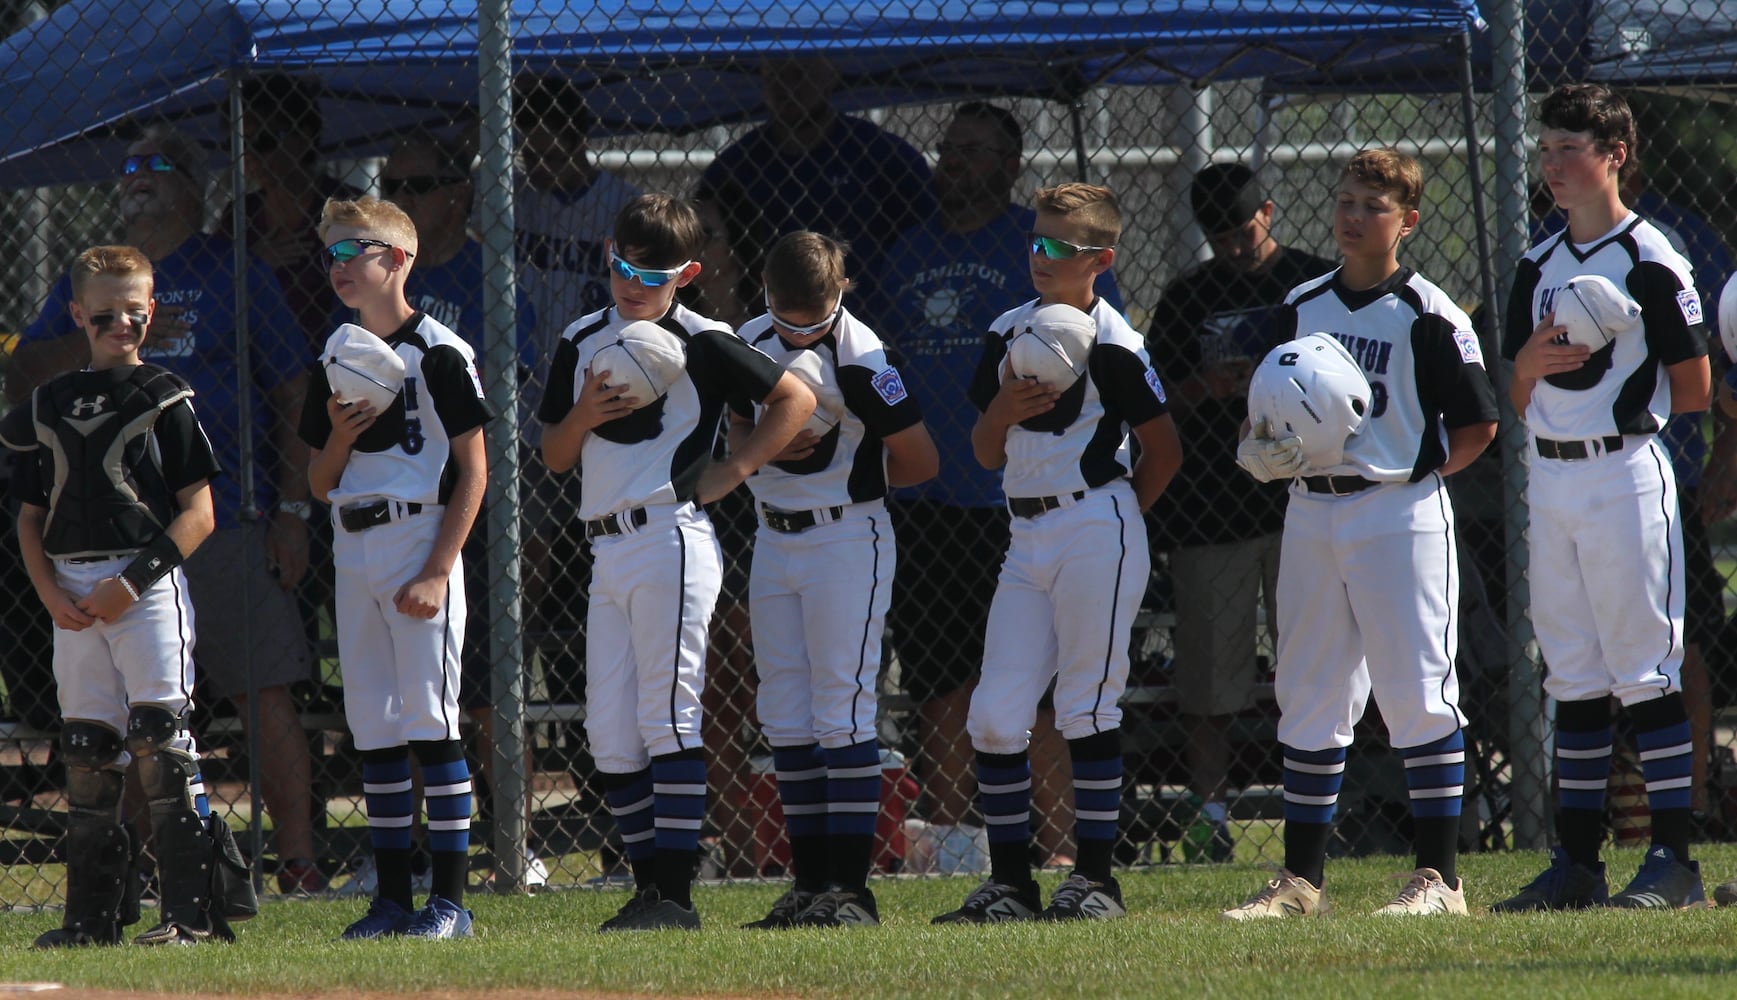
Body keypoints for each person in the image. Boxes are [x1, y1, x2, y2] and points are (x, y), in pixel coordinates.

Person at [8, 125, 324, 896]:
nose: (138, 178)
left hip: (219, 520)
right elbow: (21, 373)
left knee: (262, 688)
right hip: (106, 535)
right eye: (129, 167)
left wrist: (289, 508)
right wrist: (109, 343)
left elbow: (290, 393)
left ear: (194, 184)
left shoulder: (233, 270)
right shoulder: (91, 280)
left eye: (158, 166)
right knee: (126, 715)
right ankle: (151, 874)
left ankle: (300, 863)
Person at [1220, 148, 1499, 920]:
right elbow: (1269, 399)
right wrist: (1258, 439)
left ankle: (1438, 881)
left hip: (1396, 509)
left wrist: (1413, 475)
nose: (1351, 216)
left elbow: (1478, 423)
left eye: (1371, 206)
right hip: (1310, 509)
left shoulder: (1427, 311)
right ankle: (1300, 883)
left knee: (1418, 695)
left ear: (1406, 222)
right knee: (1307, 690)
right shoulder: (1302, 300)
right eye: (1344, 201)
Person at [537, 193, 815, 931]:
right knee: (608, 731)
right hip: (605, 544)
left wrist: (738, 466)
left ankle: (676, 896)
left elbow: (795, 399)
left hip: (670, 535)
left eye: (654, 274)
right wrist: (584, 414)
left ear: (687, 273)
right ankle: (648, 885)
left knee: (668, 716)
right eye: (625, 266)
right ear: (607, 253)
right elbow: (554, 456)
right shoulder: (584, 334)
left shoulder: (702, 335)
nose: (634, 284)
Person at [876, 103, 1124, 872]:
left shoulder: (1041, 253)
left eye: (975, 151)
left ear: (1011, 163)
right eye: (947, 149)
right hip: (928, 500)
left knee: (1045, 697)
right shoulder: (904, 252)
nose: (954, 163)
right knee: (942, 685)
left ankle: (1060, 853)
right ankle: (954, 847)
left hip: (1013, 508)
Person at [932, 182, 1181, 924]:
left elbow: (1163, 451)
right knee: (996, 714)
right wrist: (1002, 409)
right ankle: (1012, 884)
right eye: (1034, 240)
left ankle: (1095, 881)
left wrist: (1112, 522)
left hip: (1093, 525)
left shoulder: (1115, 342)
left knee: (1083, 704)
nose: (1037, 256)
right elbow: (981, 452)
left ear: (1098, 260)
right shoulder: (1009, 328)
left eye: (1056, 247)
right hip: (1025, 535)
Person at [1494, 83, 1711, 912]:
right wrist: (1528, 368)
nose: (1551, 165)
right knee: (1573, 675)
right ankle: (1576, 863)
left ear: (1613, 155)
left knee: (1643, 668)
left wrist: (1620, 348)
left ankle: (1671, 861)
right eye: (1544, 149)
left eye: (1568, 149)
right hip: (1550, 477)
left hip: (1623, 472)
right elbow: (1517, 393)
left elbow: (1690, 388)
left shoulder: (1649, 256)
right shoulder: (1537, 263)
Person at [5, 245, 233, 946]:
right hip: (70, 592)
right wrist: (50, 593)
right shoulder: (46, 404)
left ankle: (189, 916)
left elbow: (200, 514)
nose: (122, 325)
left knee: (160, 743)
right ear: (77, 314)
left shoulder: (165, 397)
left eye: (136, 312)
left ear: (151, 310)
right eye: (105, 315)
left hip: (142, 584)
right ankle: (89, 919)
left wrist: (129, 585)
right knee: (86, 749)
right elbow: (29, 516)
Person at [300, 196, 494, 940]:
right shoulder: (338, 350)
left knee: (432, 721)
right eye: (334, 254)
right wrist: (341, 440)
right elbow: (319, 483)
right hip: (354, 547)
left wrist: (439, 570)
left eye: (358, 250)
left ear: (400, 260)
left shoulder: (439, 348)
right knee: (374, 727)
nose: (341, 265)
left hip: (420, 541)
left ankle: (450, 902)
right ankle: (390, 899)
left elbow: (473, 470)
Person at [734, 231, 938, 928]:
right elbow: (730, 426)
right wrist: (760, 448)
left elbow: (919, 460)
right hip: (773, 534)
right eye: (785, 316)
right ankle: (810, 881)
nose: (796, 332)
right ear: (763, 294)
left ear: (840, 294)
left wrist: (846, 472)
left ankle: (850, 890)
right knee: (784, 713)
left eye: (811, 319)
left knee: (841, 707)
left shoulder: (862, 357)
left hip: (845, 535)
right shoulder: (749, 338)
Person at [1145, 162, 1336, 860]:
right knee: (1209, 681)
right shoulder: (1187, 298)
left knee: (1313, 663)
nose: (1234, 243)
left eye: (1244, 226)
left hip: (1304, 502)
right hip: (1210, 508)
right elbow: (1154, 396)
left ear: (1270, 211)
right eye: (1219, 234)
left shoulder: (1316, 283)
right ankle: (1212, 814)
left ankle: (1321, 807)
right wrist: (1204, 387)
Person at [379, 128, 547, 889]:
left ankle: (514, 845)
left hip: (480, 504)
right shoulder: (375, 292)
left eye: (412, 187)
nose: (397, 202)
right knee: (402, 687)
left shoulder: (494, 280)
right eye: (389, 185)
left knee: (486, 686)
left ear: (457, 195)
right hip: (395, 505)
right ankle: (403, 853)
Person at [682, 178, 774, 876]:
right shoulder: (671, 330)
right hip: (699, 512)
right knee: (714, 680)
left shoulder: (756, 327)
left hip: (761, 506)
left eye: (707, 236)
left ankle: (767, 832)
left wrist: (739, 462)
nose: (698, 251)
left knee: (759, 669)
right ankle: (734, 834)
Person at [703, 57, 935, 312]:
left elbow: (929, 236)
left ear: (832, 74)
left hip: (865, 316)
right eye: (775, 76)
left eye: (800, 74)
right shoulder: (736, 167)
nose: (788, 87)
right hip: (767, 319)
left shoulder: (882, 155)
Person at [222, 73, 359, 346]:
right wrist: (255, 266)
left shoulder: (348, 210)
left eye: (264, 141)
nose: (249, 155)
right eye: (238, 144)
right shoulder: (239, 215)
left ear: (304, 136)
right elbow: (217, 291)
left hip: (335, 353)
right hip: (257, 357)